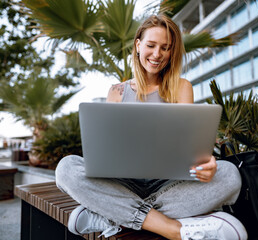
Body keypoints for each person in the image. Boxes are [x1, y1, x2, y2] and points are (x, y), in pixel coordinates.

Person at [55, 15, 247, 240]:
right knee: (66, 168)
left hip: (168, 185)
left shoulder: (181, 87)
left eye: (165, 48)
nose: (157, 54)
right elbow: (107, 151)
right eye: (151, 45)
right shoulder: (117, 92)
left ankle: (111, 215)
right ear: (138, 45)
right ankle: (172, 228)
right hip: (123, 183)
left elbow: (189, 148)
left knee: (230, 175)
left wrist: (206, 166)